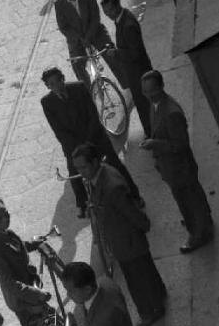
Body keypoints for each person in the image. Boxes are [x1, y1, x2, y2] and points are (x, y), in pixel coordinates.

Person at [72, 143, 167, 326]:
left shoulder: (111, 187)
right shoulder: (101, 174)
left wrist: (143, 224)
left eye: (84, 167)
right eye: (78, 168)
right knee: (146, 271)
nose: (81, 172)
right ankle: (158, 294)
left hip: (127, 241)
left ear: (95, 162)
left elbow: (130, 211)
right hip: (123, 239)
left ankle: (151, 310)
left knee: (137, 278)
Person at [41, 67, 144, 218]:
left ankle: (134, 195)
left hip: (95, 138)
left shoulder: (79, 87)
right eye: (52, 84)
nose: (57, 86)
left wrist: (88, 142)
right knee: (74, 172)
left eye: (58, 81)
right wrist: (79, 147)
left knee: (115, 165)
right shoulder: (47, 102)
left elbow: (93, 115)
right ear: (48, 86)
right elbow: (59, 130)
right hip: (73, 145)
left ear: (63, 78)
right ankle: (81, 204)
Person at [140, 70, 213, 253]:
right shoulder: (155, 104)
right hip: (172, 167)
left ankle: (198, 234)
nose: (148, 96)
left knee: (187, 200)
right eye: (145, 92)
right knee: (193, 196)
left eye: (152, 92)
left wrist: (154, 144)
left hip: (179, 167)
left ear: (161, 87)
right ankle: (203, 220)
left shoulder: (171, 112)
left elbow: (180, 144)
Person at [0, 197, 51, 326]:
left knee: (48, 323)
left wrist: (33, 244)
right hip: (22, 300)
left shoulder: (5, 232)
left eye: (6, 213)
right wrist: (36, 293)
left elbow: (18, 248)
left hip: (30, 287)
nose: (6, 218)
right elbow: (9, 283)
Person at [54, 0, 125, 89]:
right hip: (77, 40)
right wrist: (79, 38)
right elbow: (64, 27)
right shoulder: (59, 5)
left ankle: (127, 83)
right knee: (77, 66)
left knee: (110, 52)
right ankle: (89, 94)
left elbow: (95, 16)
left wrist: (88, 36)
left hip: (95, 32)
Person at [101, 0, 152, 137]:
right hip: (136, 73)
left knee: (144, 106)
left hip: (139, 73)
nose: (108, 15)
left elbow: (135, 53)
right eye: (105, 12)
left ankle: (152, 136)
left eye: (110, 10)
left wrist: (116, 53)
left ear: (117, 5)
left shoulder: (127, 25)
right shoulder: (122, 18)